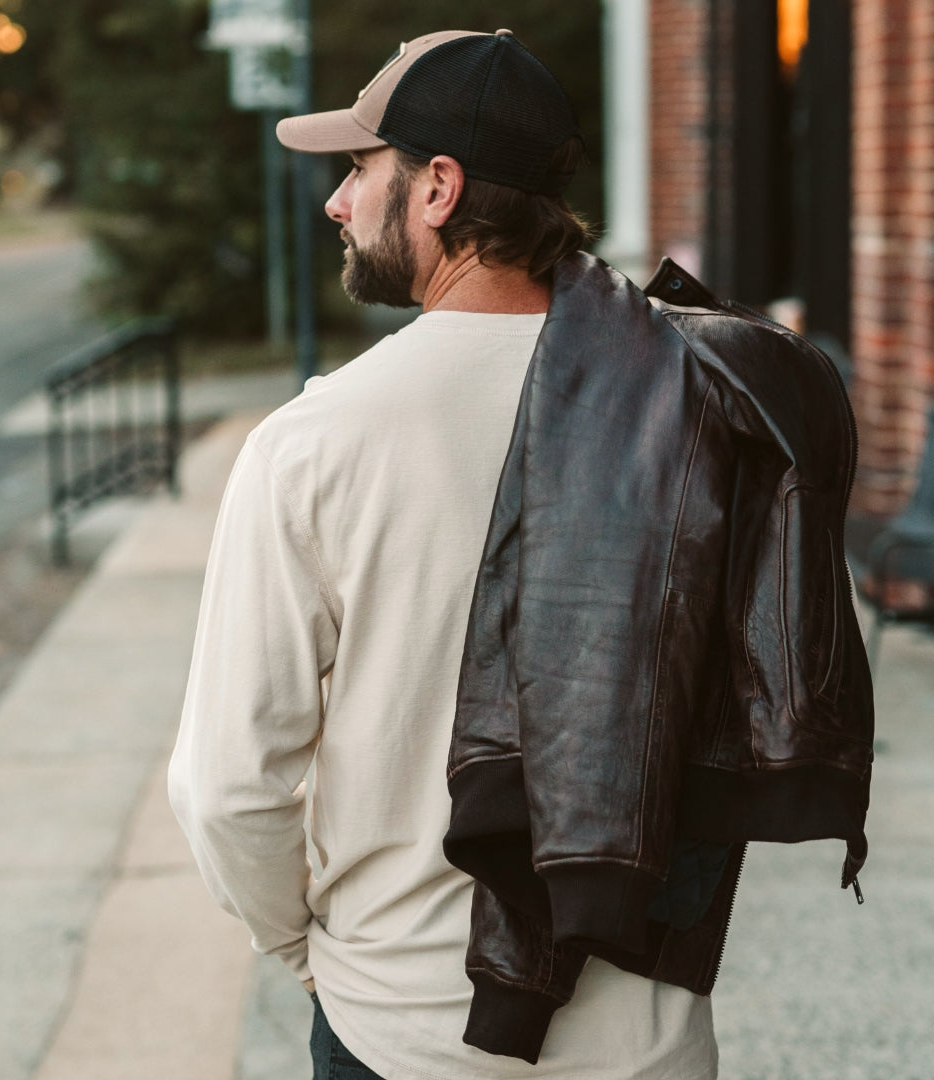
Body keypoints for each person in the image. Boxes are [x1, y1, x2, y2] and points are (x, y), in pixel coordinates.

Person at [168, 29, 722, 1080]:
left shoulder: (317, 442)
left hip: (407, 1029)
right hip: (648, 1037)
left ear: (437, 189)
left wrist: (305, 949)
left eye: (358, 170)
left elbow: (227, 785)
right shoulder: (691, 400)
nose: (336, 202)